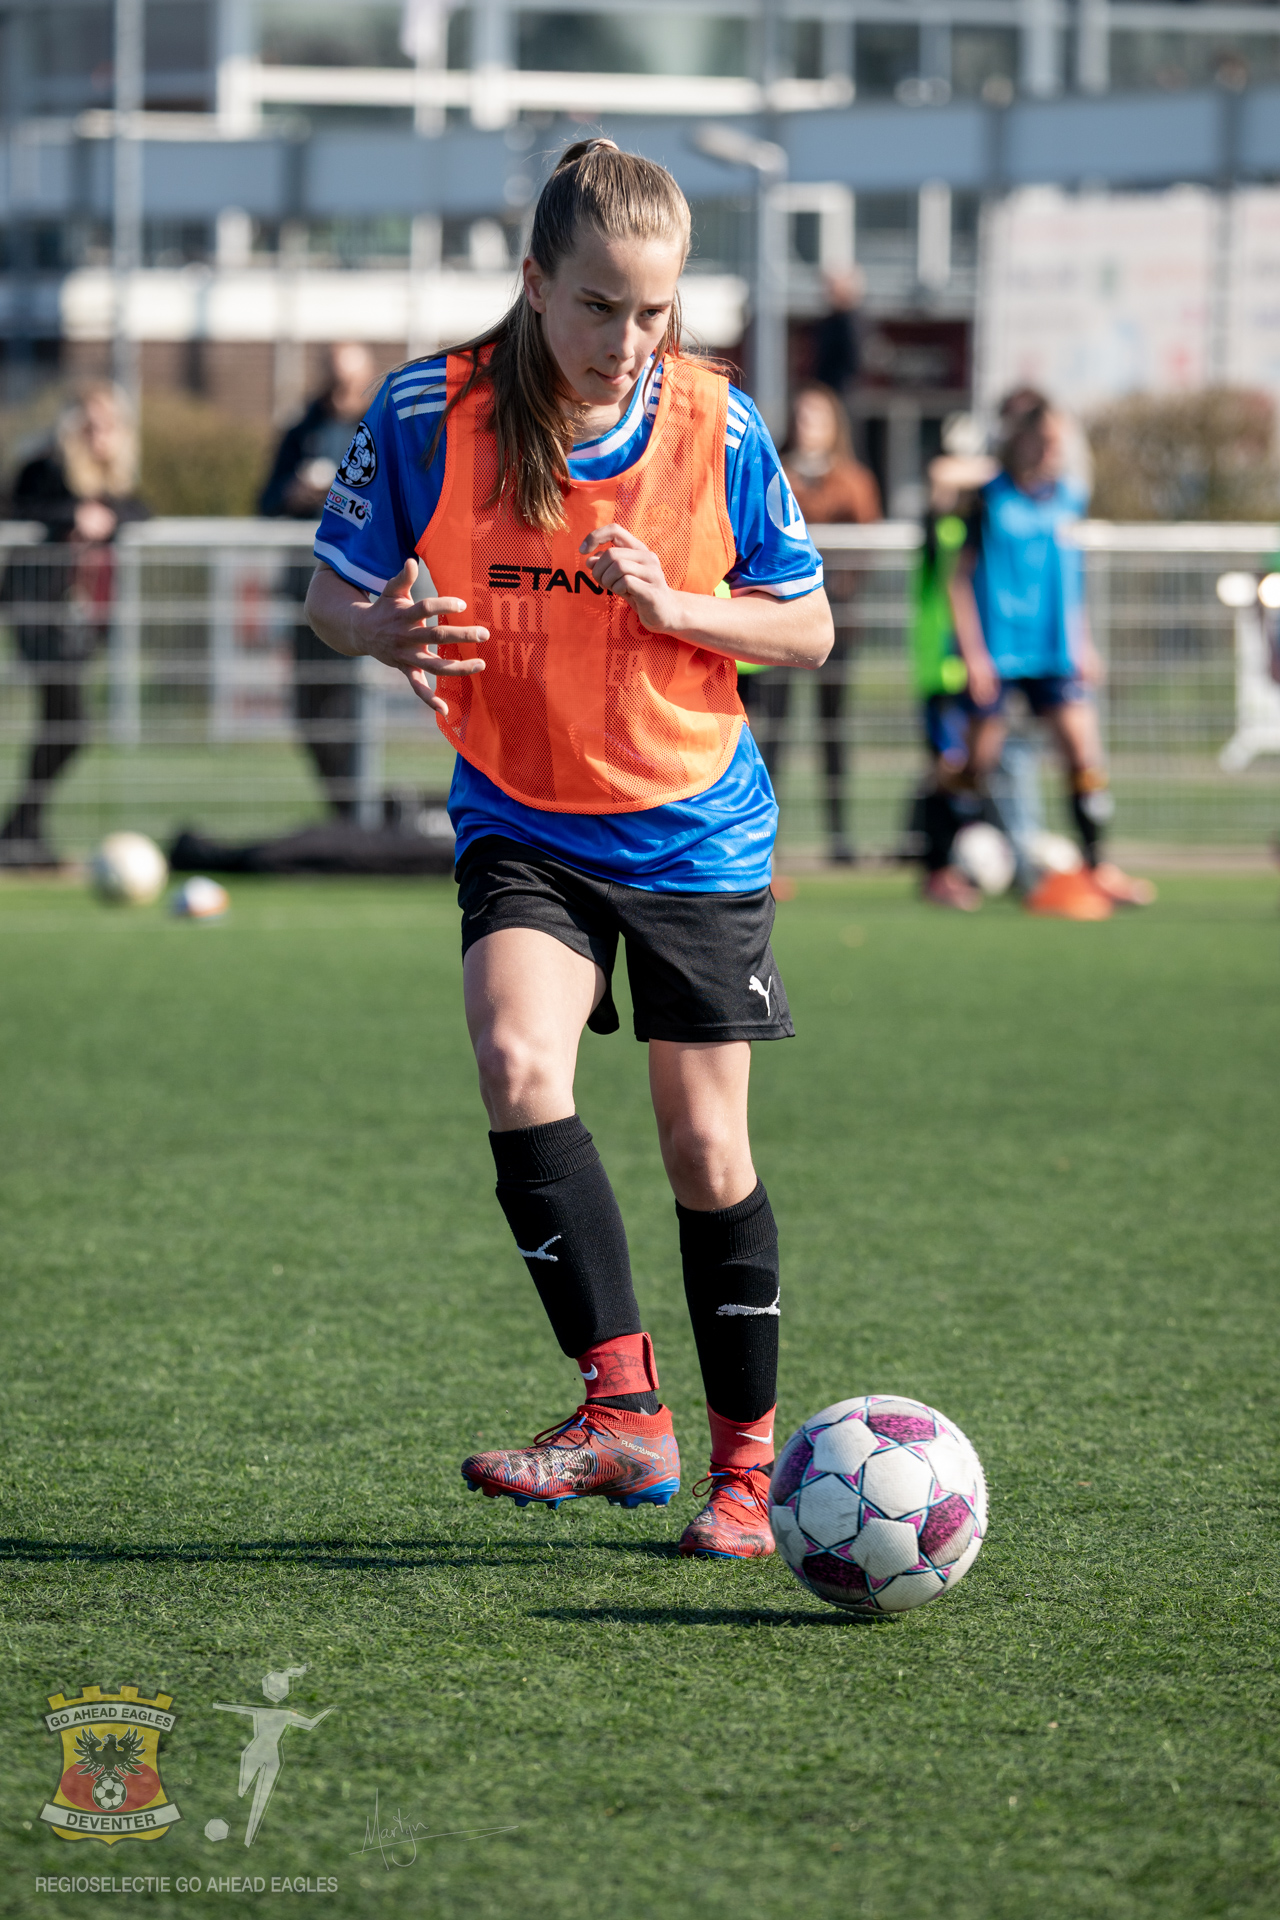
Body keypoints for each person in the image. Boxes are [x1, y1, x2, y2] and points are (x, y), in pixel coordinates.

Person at [305, 139, 833, 1559]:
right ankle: (622, 1413)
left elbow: (806, 626)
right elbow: (330, 596)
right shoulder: (429, 411)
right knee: (516, 1060)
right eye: (599, 305)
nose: (627, 341)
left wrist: (680, 610)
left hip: (691, 826)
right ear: (535, 282)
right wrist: (379, 628)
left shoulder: (718, 426)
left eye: (653, 311)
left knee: (703, 1146)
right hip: (521, 811)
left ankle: (744, 1471)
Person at [948, 388, 1154, 909]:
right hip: (998, 648)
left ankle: (1098, 864)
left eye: (1058, 442)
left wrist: (1083, 643)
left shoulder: (1068, 498)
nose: (1051, 451)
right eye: (1042, 440)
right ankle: (950, 868)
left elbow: (1069, 575)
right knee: (978, 757)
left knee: (1083, 751)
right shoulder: (988, 497)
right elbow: (958, 578)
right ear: (1021, 440)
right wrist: (973, 653)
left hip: (1054, 650)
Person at [0, 383, 148, 866]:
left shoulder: (112, 480)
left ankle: (21, 832)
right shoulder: (45, 467)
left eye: (108, 427)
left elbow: (139, 509)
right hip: (37, 610)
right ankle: (19, 830)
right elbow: (18, 507)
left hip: (79, 618)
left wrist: (107, 516)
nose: (99, 436)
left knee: (61, 724)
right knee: (69, 723)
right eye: (90, 427)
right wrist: (72, 514)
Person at [737, 381, 879, 864]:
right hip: (779, 620)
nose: (807, 426)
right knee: (771, 731)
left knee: (833, 730)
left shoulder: (854, 480)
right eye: (801, 416)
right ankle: (763, 838)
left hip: (836, 620)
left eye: (817, 417)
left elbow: (865, 541)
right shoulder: (775, 471)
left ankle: (840, 836)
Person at [259, 342, 378, 819]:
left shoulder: (380, 429)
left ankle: (356, 815)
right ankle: (344, 812)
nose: (340, 391)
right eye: (334, 379)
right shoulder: (301, 430)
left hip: (360, 586)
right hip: (305, 587)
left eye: (349, 381)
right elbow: (265, 501)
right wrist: (293, 494)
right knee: (309, 707)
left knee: (349, 705)